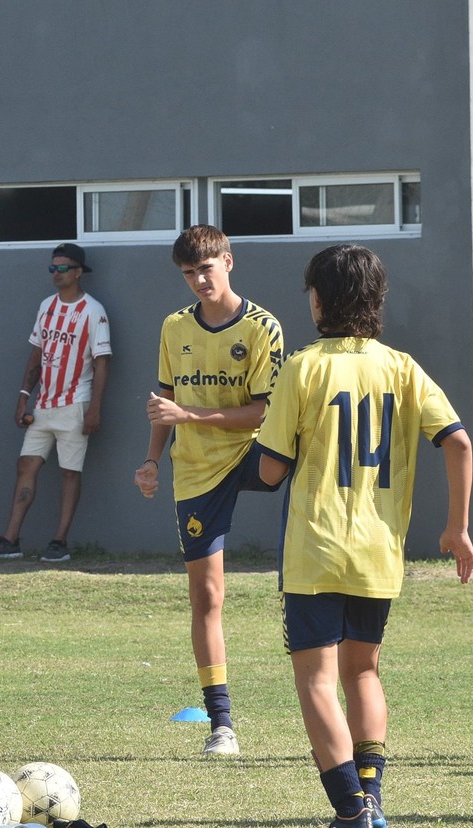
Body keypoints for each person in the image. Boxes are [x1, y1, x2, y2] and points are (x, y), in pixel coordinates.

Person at [255, 244, 473, 828]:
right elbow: (456, 442)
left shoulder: (302, 367)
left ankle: (351, 813)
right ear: (376, 300)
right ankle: (371, 801)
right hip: (380, 550)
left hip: (317, 549)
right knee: (363, 670)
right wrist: (457, 527)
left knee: (316, 680)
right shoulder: (402, 367)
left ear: (320, 299)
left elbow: (271, 471)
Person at [134, 225, 283, 756]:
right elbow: (164, 402)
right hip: (197, 469)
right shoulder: (175, 327)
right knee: (207, 595)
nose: (199, 280)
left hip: (255, 455)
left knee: (293, 456)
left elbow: (265, 411)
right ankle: (222, 725)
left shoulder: (264, 327)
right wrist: (152, 459)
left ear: (229, 262)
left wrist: (190, 414)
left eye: (206, 269)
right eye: (188, 273)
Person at [0, 242, 111, 563]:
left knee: (69, 473)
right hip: (43, 404)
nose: (56, 274)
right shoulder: (47, 305)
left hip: (76, 404)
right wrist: (23, 397)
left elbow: (102, 362)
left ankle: (59, 542)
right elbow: (36, 353)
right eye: (52, 268)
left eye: (62, 269)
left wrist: (95, 409)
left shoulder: (93, 311)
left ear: (77, 272)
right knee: (26, 465)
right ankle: (10, 539)